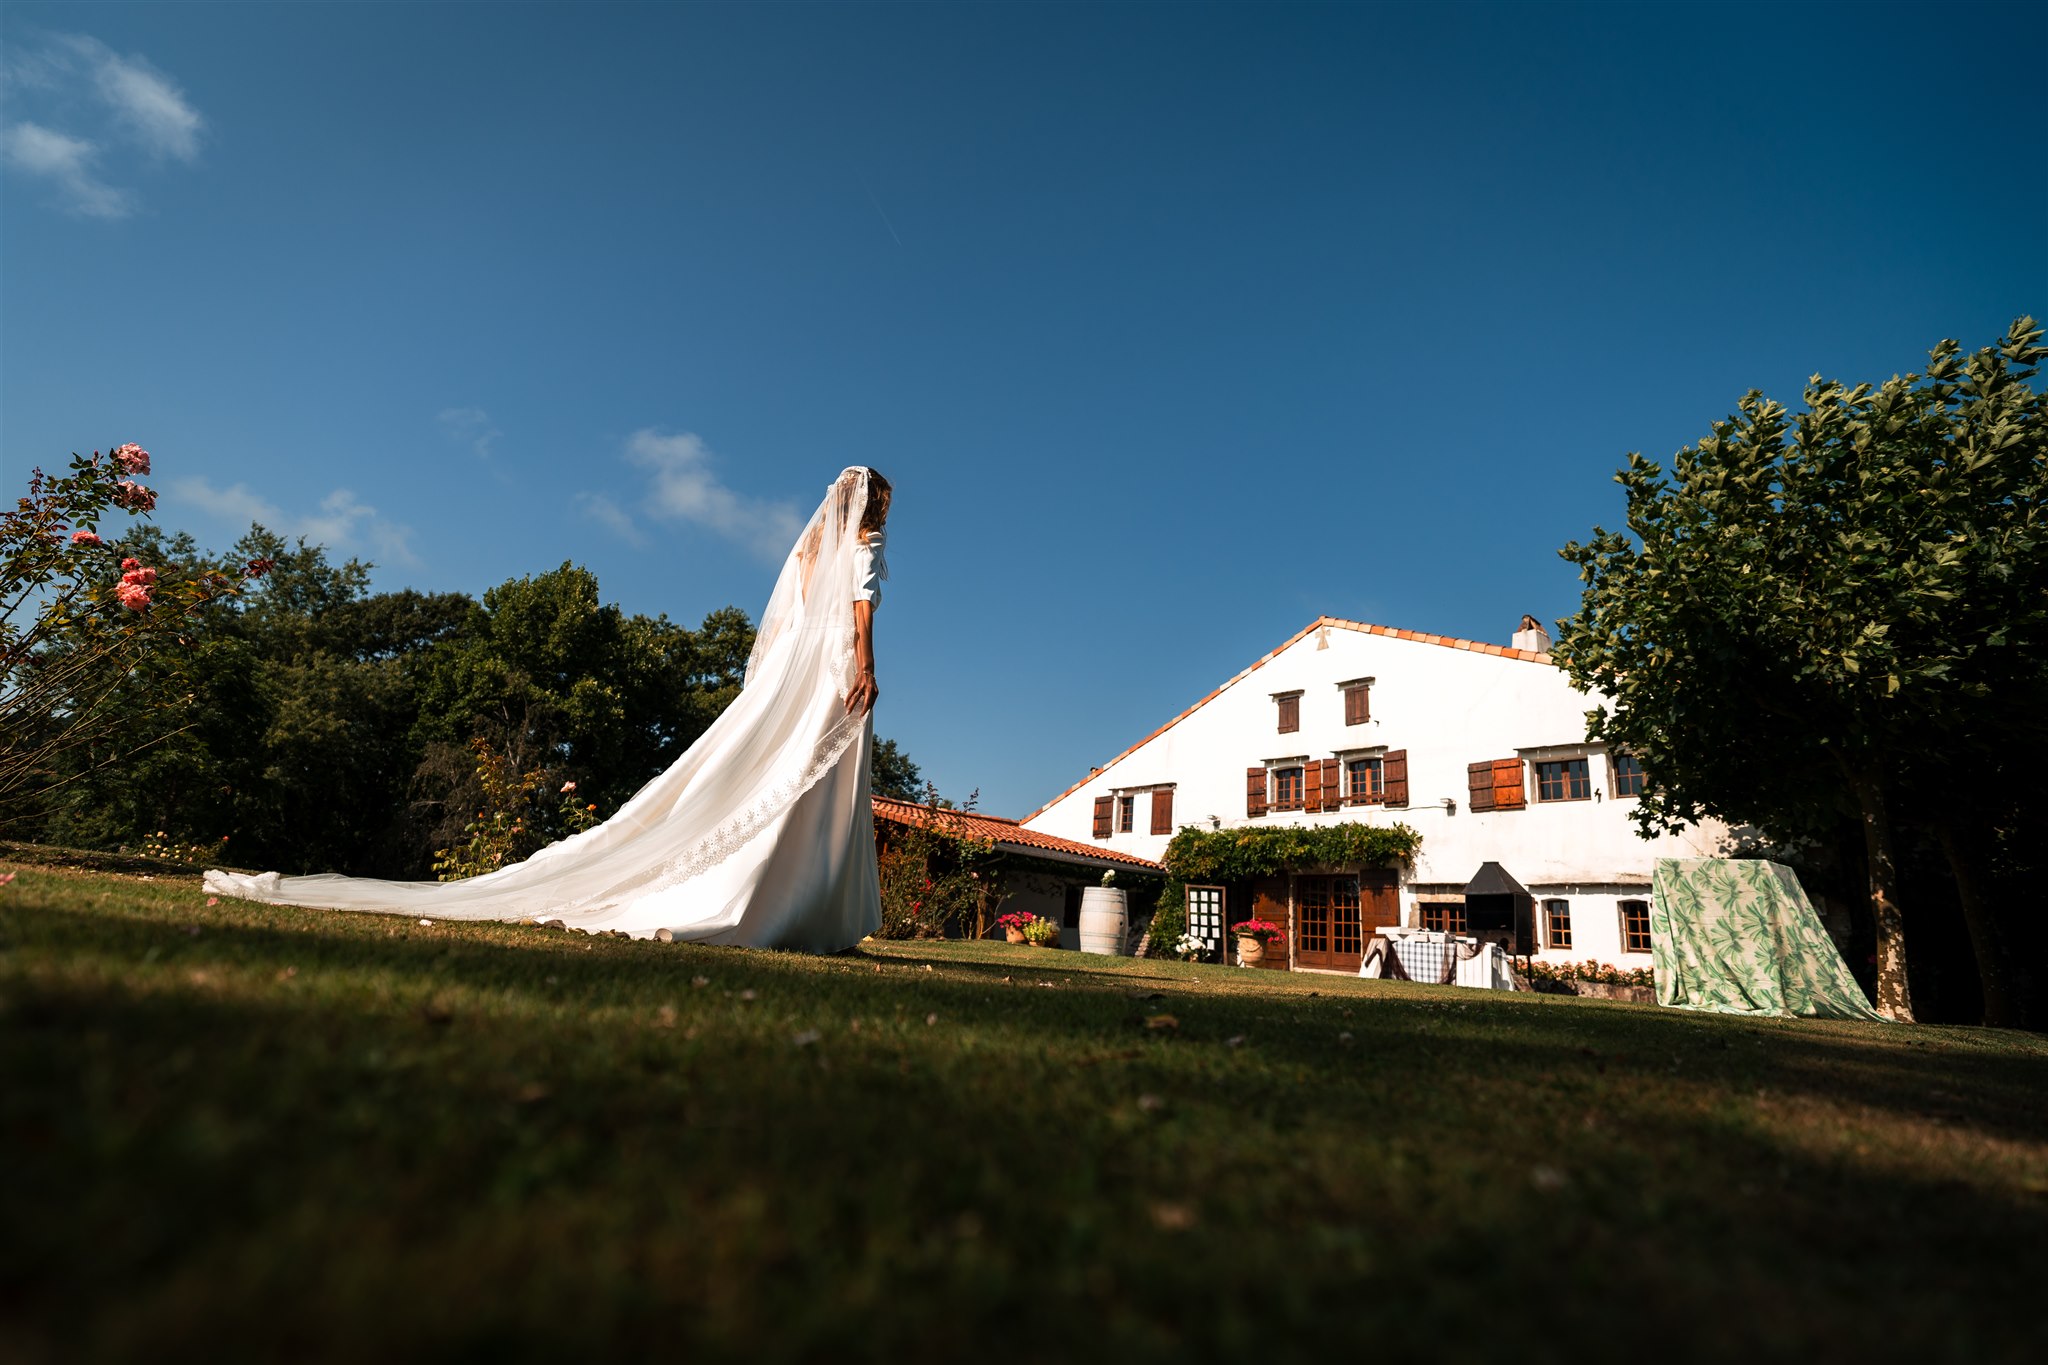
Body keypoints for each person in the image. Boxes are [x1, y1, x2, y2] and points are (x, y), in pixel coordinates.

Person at [204, 467, 892, 952]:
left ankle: (792, 901)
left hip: (802, 674)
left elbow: (796, 623)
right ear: (872, 508)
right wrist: (865, 664)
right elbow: (859, 610)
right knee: (805, 781)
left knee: (789, 777)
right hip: (833, 673)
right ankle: (792, 904)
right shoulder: (862, 546)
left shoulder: (808, 552)